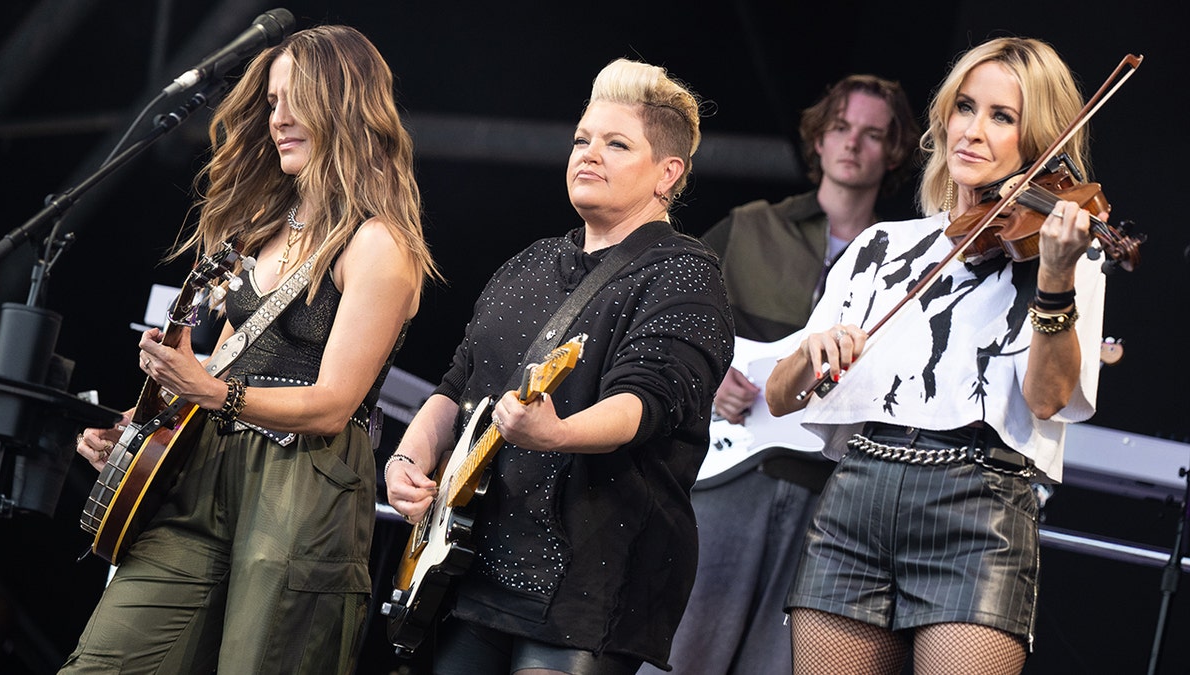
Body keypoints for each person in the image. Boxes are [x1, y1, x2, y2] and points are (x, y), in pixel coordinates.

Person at [61, 24, 437, 673]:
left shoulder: (379, 244)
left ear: (344, 103)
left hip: (304, 485)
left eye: (298, 98)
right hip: (202, 468)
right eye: (270, 101)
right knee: (105, 662)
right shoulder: (259, 227)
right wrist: (138, 430)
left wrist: (210, 391)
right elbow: (225, 362)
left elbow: (332, 404)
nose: (279, 117)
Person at [765, 36, 1107, 675]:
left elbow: (1047, 398)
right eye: (965, 107)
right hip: (856, 500)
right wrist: (811, 353)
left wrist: (1056, 281)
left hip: (979, 509)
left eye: (1002, 117)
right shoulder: (880, 245)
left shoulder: (1061, 249)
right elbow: (782, 395)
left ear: (1038, 143)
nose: (973, 131)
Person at [384, 58, 734, 674]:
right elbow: (459, 383)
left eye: (616, 144)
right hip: (469, 566)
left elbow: (649, 401)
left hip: (588, 585)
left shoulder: (684, 272)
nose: (588, 154)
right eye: (581, 140)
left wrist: (559, 434)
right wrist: (409, 458)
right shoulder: (531, 262)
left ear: (667, 173)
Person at [648, 75, 919, 674]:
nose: (853, 145)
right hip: (727, 471)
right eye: (841, 128)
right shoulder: (752, 226)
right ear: (818, 140)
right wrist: (705, 376)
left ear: (895, 152)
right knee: (683, 650)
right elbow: (668, 312)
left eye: (874, 135)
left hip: (830, 489)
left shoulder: (905, 256)